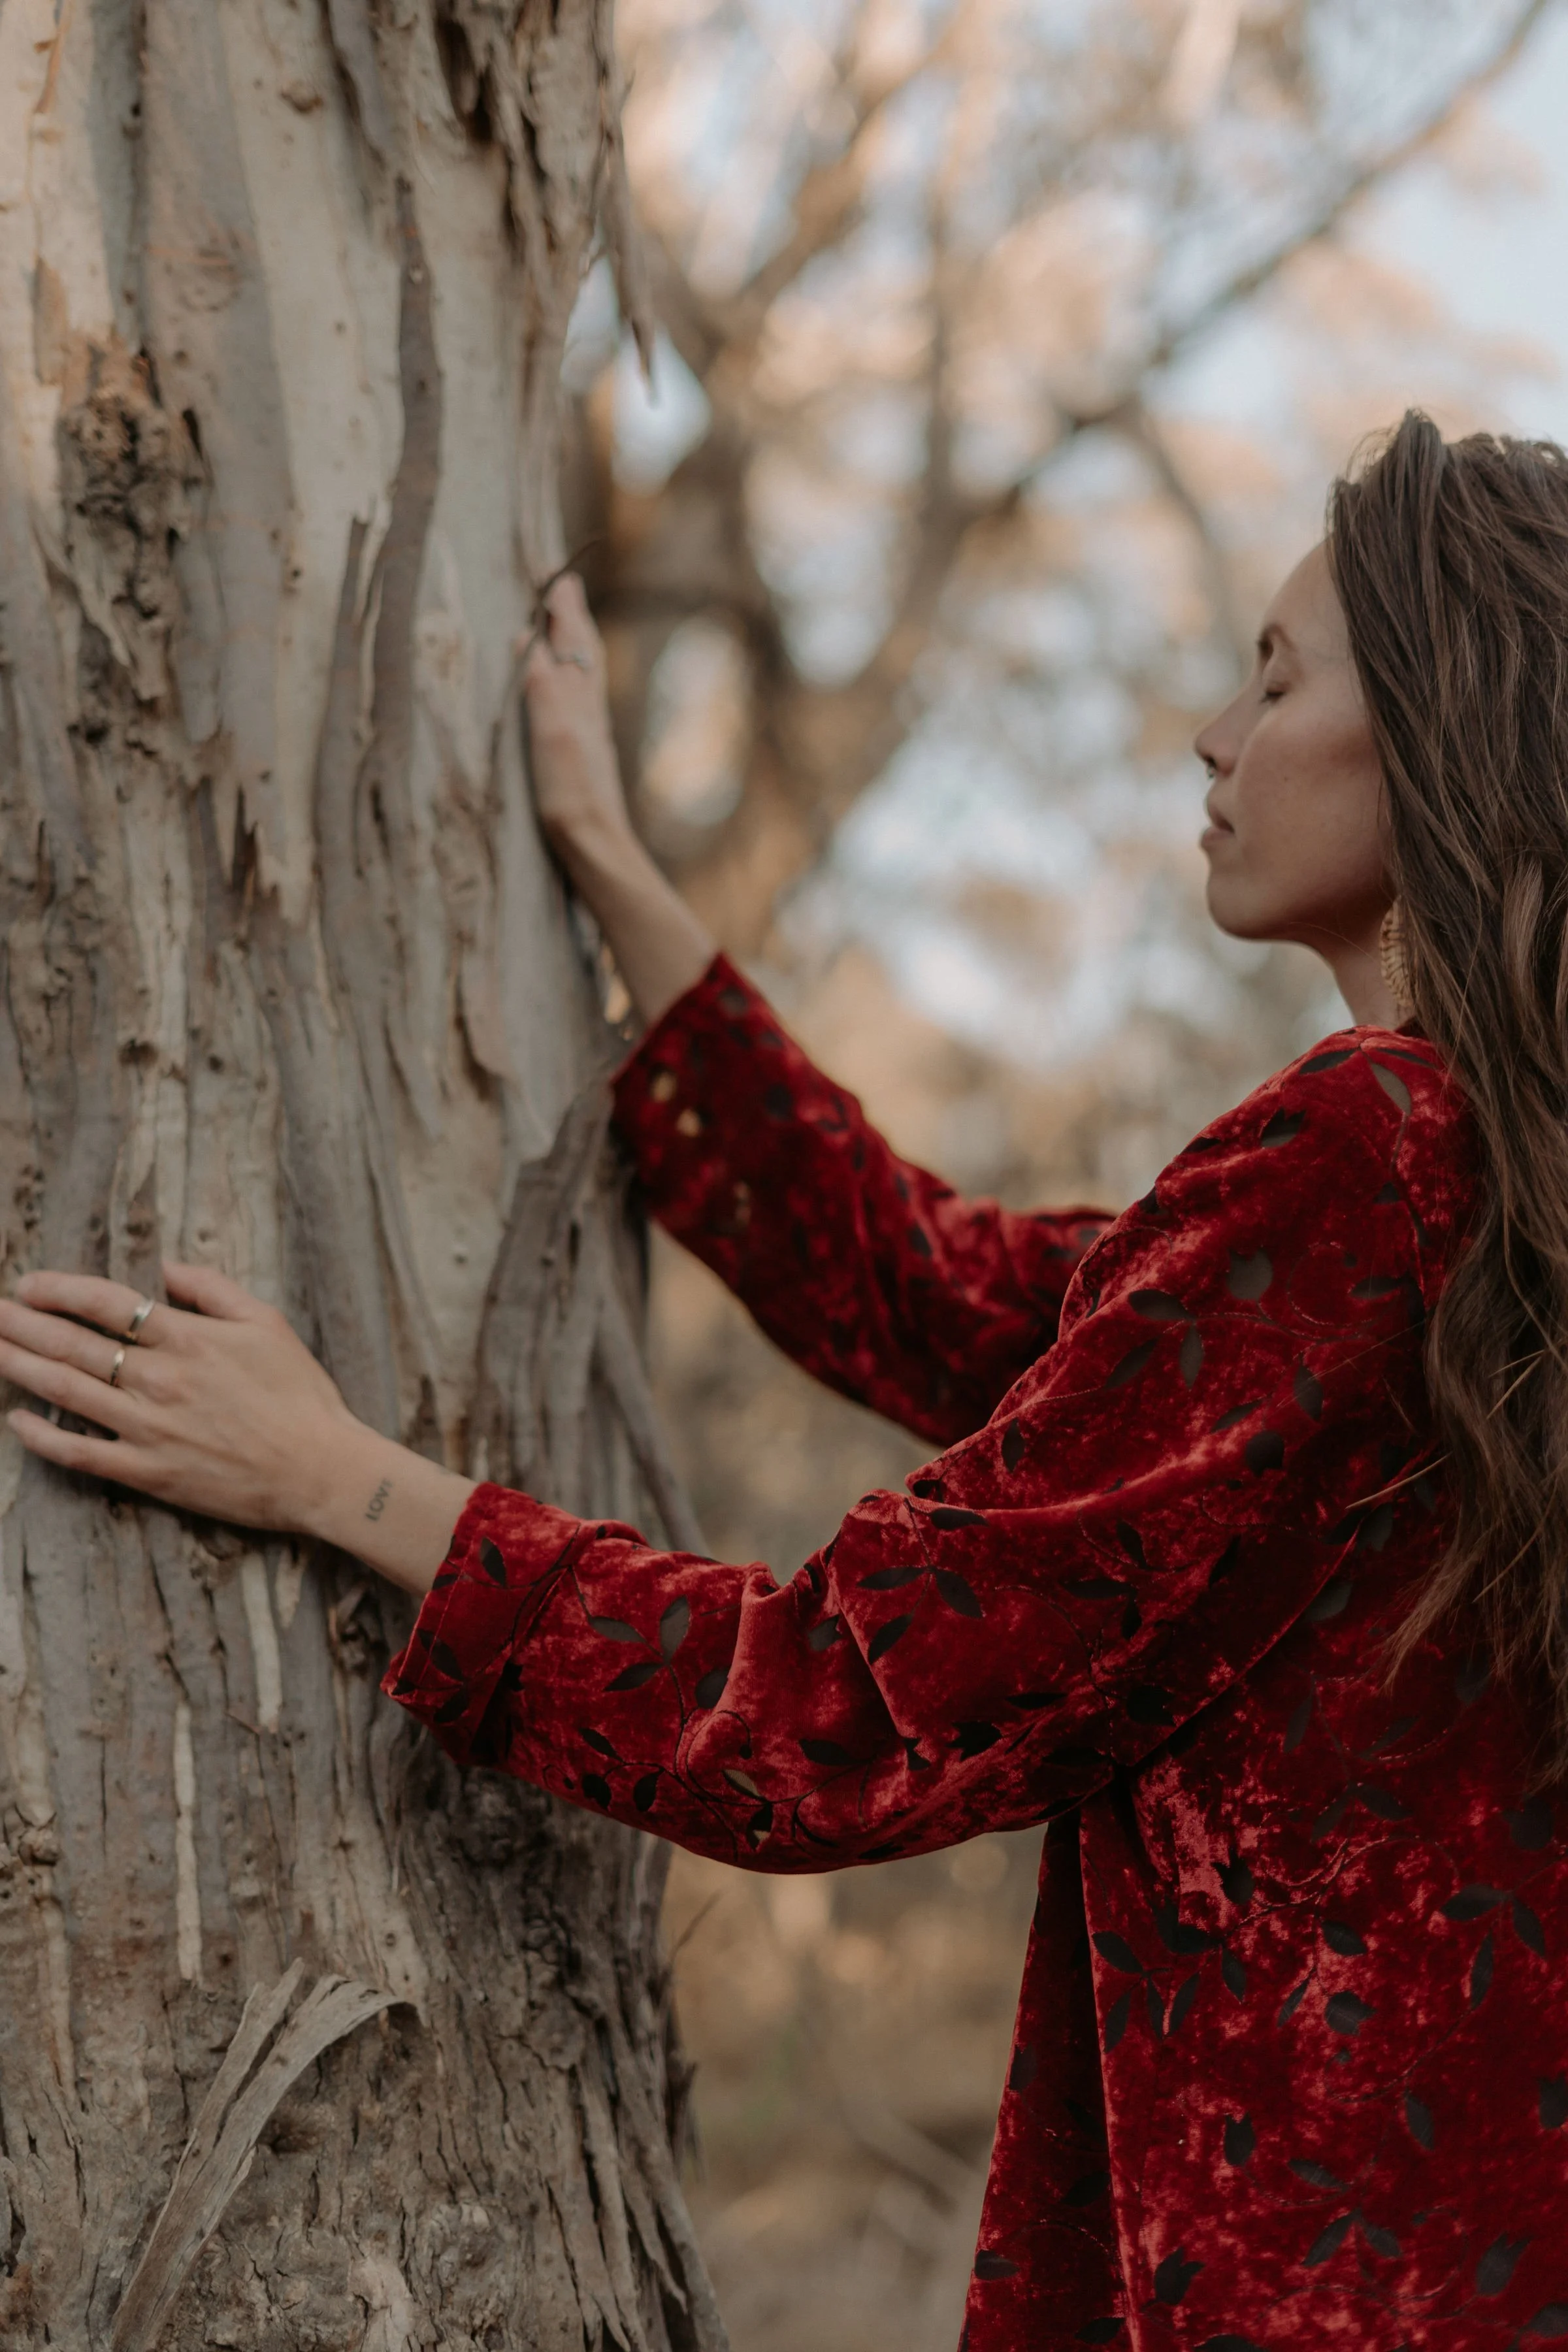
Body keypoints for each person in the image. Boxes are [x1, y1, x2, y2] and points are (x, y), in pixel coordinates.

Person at [1, 409, 1565, 2351]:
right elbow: (941, 1297)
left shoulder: (1368, 1157)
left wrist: (338, 1479)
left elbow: (844, 1710)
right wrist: (606, 864)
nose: (1212, 735)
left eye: (1274, 675)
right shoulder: (1486, 1192)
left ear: (1440, 724)